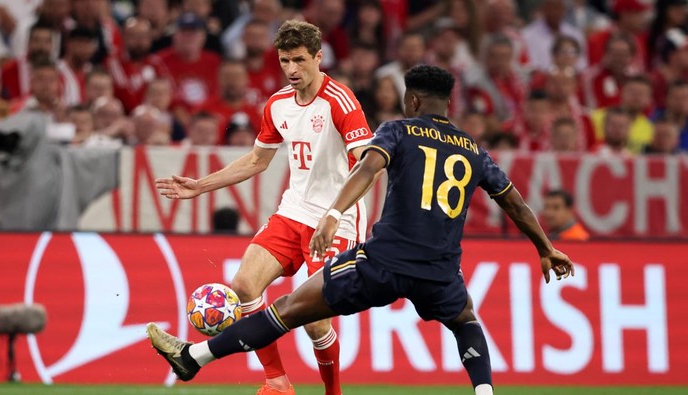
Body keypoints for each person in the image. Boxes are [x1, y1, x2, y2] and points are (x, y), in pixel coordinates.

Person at [147, 65, 574, 395]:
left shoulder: (399, 130)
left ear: (412, 100)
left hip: (383, 263)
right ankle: (484, 390)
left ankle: (193, 357)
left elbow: (368, 166)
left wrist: (333, 214)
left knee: (288, 311)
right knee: (465, 321)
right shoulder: (475, 151)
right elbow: (513, 201)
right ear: (448, 104)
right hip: (439, 271)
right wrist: (545, 247)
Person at [154, 20, 373, 395]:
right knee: (243, 285)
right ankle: (276, 380)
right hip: (294, 210)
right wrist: (200, 186)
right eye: (284, 60)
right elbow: (257, 161)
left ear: (318, 58)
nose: (291, 69)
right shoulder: (277, 105)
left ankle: (333, 392)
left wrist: (335, 216)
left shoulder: (341, 102)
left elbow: (367, 166)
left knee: (315, 319)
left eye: (299, 60)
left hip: (339, 217)